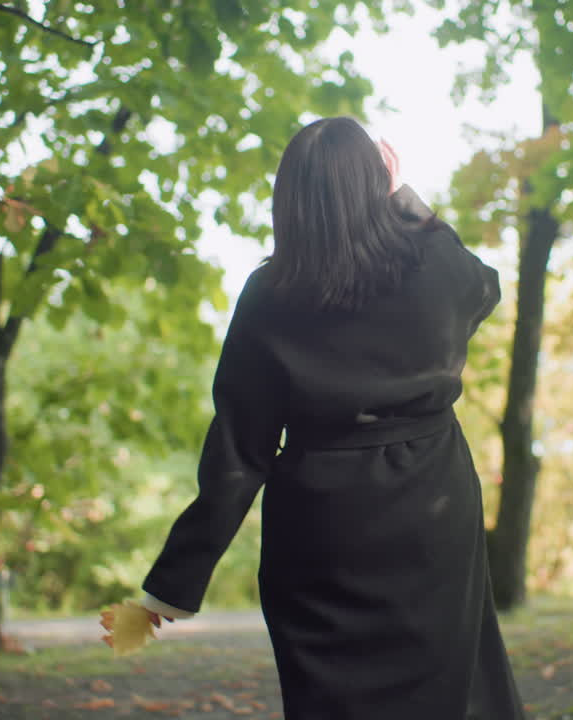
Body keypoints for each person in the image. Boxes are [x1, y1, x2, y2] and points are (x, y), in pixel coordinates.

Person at [137, 116, 527, 719]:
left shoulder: (269, 293)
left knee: (329, 700)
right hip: (431, 507)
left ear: (290, 197)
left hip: (318, 526)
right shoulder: (433, 263)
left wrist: (174, 584)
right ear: (376, 183)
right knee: (442, 691)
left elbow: (240, 451)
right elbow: (486, 288)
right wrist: (404, 201)